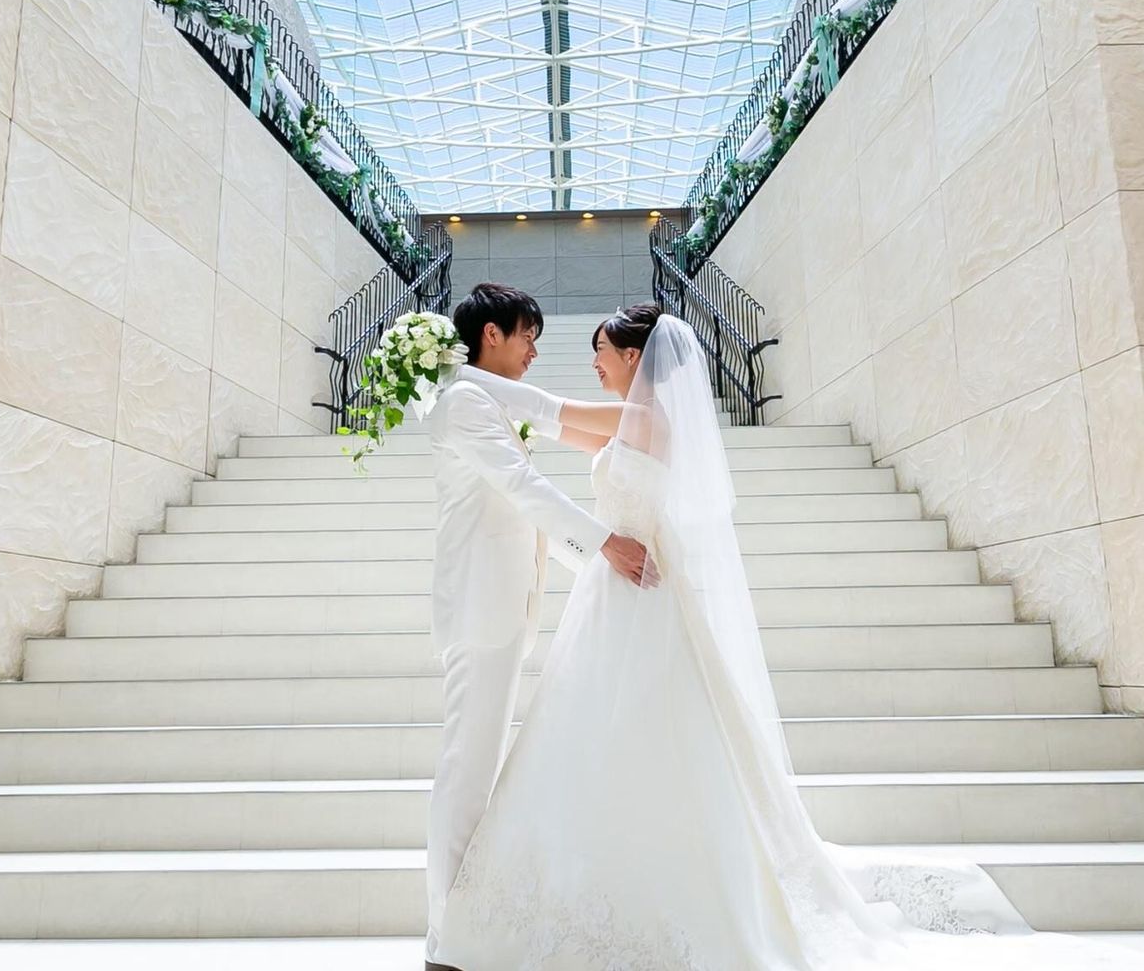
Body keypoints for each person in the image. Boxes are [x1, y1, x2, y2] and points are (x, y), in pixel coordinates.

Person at [432, 304, 1142, 970]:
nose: (592, 363)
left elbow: (551, 415)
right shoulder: (630, 423)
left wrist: (449, 375)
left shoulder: (646, 423)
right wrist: (457, 384)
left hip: (638, 590)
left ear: (633, 358)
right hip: (614, 593)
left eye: (601, 352)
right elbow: (553, 422)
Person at [423, 284, 649, 971]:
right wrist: (602, 543)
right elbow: (523, 488)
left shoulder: (490, 397)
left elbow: (560, 417)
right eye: (528, 335)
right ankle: (444, 936)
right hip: (479, 606)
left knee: (478, 764)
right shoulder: (466, 402)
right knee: (467, 768)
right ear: (491, 334)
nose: (534, 351)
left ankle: (461, 928)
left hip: (503, 604)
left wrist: (660, 410)